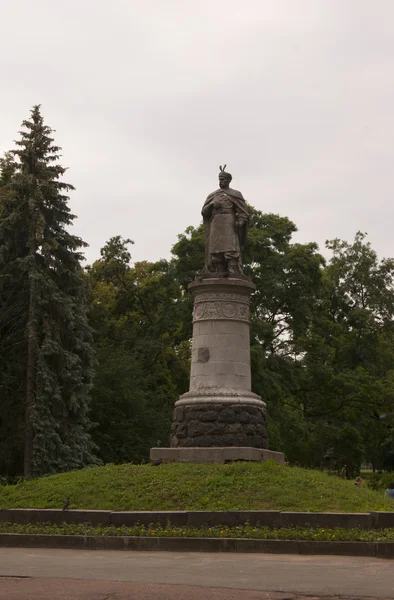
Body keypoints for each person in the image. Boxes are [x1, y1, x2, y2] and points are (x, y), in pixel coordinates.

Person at [202, 165, 248, 275]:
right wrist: (211, 205)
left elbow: (243, 212)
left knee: (230, 249)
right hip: (216, 223)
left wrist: (240, 222)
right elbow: (204, 212)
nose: (221, 181)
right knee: (216, 251)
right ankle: (219, 271)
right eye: (219, 179)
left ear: (228, 180)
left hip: (229, 223)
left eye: (223, 179)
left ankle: (233, 272)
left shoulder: (236, 194)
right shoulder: (213, 195)